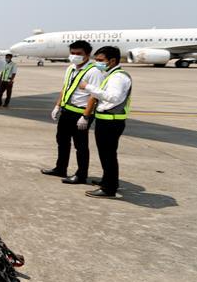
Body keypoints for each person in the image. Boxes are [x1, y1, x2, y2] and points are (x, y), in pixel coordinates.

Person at [41, 40, 103, 185]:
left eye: (78, 54)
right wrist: (57, 106)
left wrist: (86, 116)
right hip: (67, 111)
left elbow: (94, 96)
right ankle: (60, 168)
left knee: (80, 145)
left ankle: (81, 175)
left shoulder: (94, 71)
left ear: (87, 54)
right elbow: (65, 87)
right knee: (62, 141)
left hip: (81, 114)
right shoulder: (70, 68)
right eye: (72, 53)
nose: (74, 56)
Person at [79, 46, 132, 198]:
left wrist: (88, 87)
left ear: (113, 60)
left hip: (111, 122)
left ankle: (109, 188)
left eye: (101, 60)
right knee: (106, 154)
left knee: (108, 155)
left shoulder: (118, 77)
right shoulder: (111, 75)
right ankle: (108, 180)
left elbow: (114, 98)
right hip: (107, 120)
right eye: (96, 60)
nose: (97, 63)